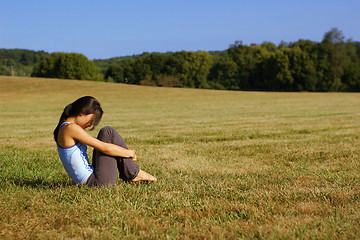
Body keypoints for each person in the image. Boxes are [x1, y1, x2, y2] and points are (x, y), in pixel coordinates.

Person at [54, 96, 157, 187]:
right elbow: (104, 148)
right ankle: (134, 173)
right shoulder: (70, 128)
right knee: (108, 132)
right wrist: (129, 153)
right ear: (81, 113)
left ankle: (133, 172)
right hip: (98, 183)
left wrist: (124, 152)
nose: (90, 125)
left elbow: (103, 144)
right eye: (90, 121)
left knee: (107, 133)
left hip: (93, 178)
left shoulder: (66, 127)